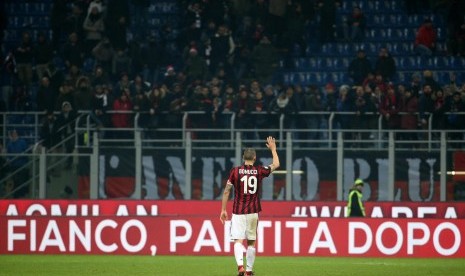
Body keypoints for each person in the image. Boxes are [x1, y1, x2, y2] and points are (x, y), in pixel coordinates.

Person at [220, 136, 280, 276]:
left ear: (243, 157)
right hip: (253, 212)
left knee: (238, 241)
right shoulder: (259, 171)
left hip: (238, 211)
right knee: (251, 242)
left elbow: (227, 191)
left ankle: (240, 266)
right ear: (254, 158)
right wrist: (273, 149)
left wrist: (223, 209)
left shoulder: (235, 171)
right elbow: (276, 164)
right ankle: (249, 271)